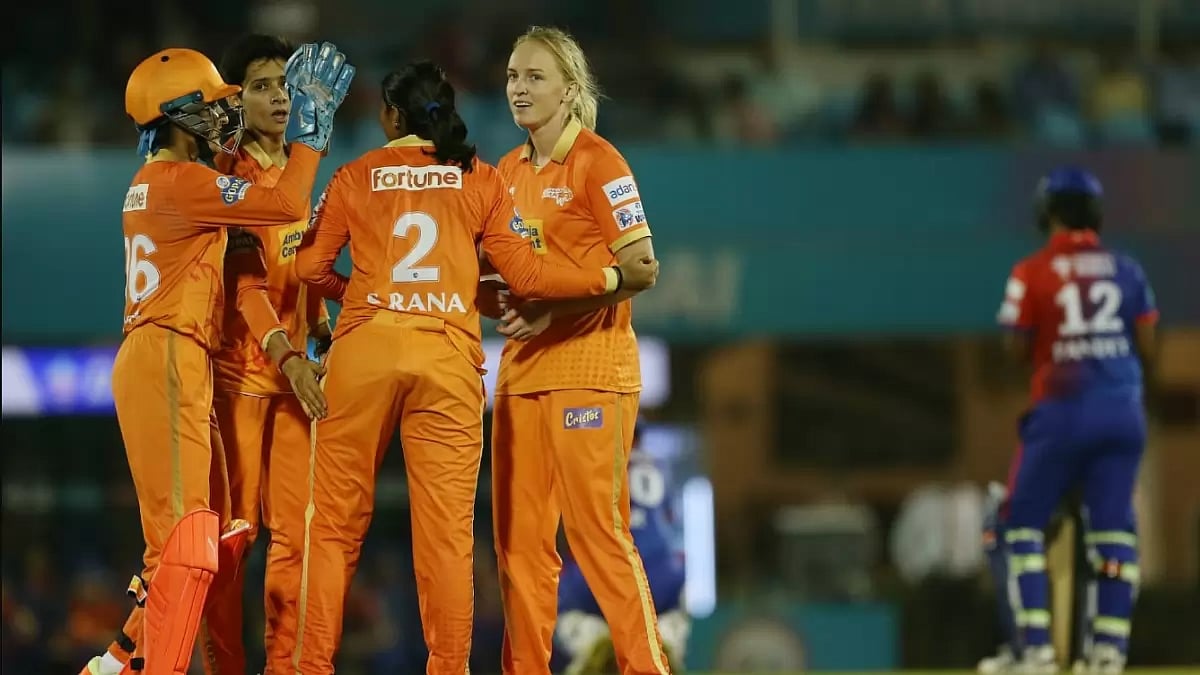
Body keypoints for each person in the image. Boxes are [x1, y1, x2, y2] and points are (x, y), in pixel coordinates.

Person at [292, 60, 657, 675]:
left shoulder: (354, 175)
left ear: (391, 116)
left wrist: (356, 295)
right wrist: (612, 277)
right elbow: (529, 278)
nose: (518, 85)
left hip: (368, 350)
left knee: (329, 527)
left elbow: (307, 268)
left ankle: (305, 669)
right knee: (450, 538)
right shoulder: (486, 177)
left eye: (533, 75)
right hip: (449, 360)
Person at [78, 43, 354, 675]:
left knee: (206, 541)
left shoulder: (165, 182)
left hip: (179, 358)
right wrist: (313, 131)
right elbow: (283, 208)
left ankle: (122, 660)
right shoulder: (185, 181)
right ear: (176, 115)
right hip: (170, 355)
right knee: (183, 549)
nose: (220, 115)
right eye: (209, 107)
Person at [484, 25, 671, 675]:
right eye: (512, 76)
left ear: (570, 90)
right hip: (519, 378)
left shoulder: (600, 162)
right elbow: (499, 282)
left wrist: (554, 305)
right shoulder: (504, 172)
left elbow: (643, 267)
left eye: (534, 76)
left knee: (599, 537)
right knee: (520, 548)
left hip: (592, 371)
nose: (519, 88)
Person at [979, 166, 1158, 675]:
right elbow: (1146, 344)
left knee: (1019, 525)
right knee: (1114, 534)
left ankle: (1034, 649)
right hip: (1123, 410)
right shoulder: (1129, 270)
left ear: (1047, 212)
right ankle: (1108, 653)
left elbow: (1016, 346)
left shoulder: (1029, 272)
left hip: (1060, 411)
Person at [202, 33, 332, 675]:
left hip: (295, 379)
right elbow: (248, 285)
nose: (279, 97)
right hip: (242, 378)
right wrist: (288, 356)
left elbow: (301, 271)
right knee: (234, 538)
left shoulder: (306, 168)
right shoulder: (224, 176)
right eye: (261, 86)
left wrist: (326, 330)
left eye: (286, 84)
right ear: (237, 99)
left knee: (297, 538)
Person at [554, 425, 690, 674]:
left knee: (555, 594)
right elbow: (669, 520)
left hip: (598, 575)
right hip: (656, 574)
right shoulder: (657, 465)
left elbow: (569, 523)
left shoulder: (585, 462)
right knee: (680, 585)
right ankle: (667, 639)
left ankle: (590, 642)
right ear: (638, 437)